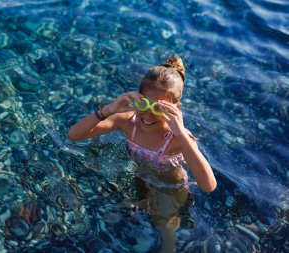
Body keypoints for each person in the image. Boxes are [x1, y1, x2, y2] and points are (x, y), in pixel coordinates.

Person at [68, 56, 216, 252]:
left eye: (158, 108)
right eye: (144, 104)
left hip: (170, 185)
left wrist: (181, 133)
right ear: (136, 98)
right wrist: (108, 110)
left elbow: (208, 186)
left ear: (175, 109)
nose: (148, 114)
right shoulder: (128, 121)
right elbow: (74, 135)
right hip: (139, 174)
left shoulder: (177, 137)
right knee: (127, 205)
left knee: (163, 224)